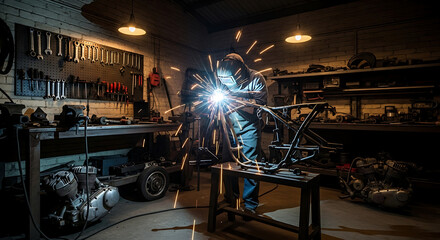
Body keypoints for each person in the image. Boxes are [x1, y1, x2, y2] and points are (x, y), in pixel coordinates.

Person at [216, 53, 268, 213]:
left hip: (250, 127)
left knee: (251, 165)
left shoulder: (256, 78)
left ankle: (250, 204)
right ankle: (231, 198)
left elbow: (260, 104)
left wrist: (236, 100)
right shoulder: (222, 78)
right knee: (227, 164)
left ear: (239, 71)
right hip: (229, 126)